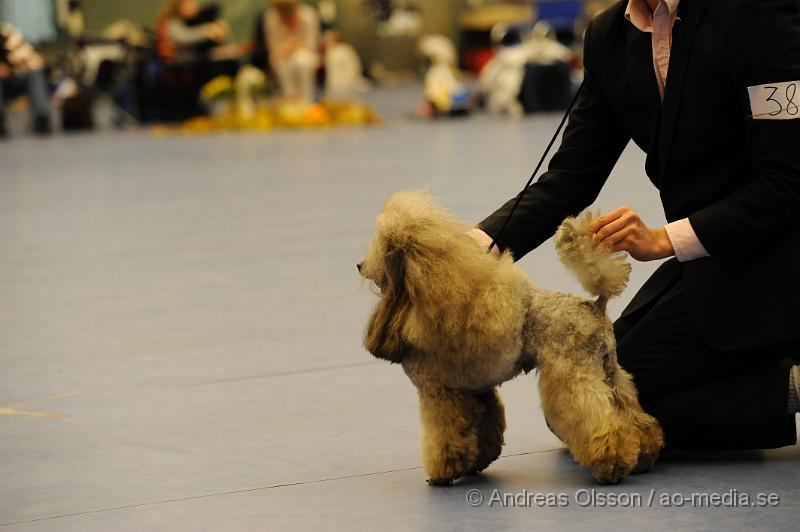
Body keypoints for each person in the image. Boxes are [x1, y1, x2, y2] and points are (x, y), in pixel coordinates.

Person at [470, 0, 800, 452]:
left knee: (606, 408)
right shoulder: (609, 35)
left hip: (782, 247)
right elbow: (571, 177)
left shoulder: (757, 13)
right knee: (582, 403)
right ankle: (784, 380)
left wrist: (665, 238)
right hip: (715, 255)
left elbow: (788, 182)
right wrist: (476, 245)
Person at [0, 22, 51, 138]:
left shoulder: (8, 34)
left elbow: (35, 60)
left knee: (35, 72)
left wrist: (17, 65)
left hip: (15, 77)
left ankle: (41, 116)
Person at [263, 0, 321, 101]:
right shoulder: (271, 17)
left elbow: (312, 46)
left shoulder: (309, 16)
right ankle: (290, 99)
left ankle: (307, 99)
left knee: (301, 60)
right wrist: (284, 50)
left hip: (304, 55)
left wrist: (293, 46)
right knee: (283, 63)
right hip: (282, 56)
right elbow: (272, 47)